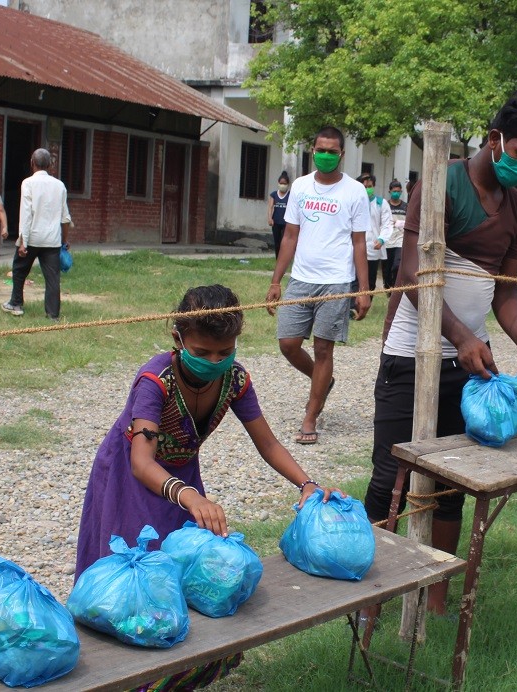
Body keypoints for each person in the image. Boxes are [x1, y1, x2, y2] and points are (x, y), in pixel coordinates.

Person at [76, 285, 342, 690]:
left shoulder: (234, 380)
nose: (214, 361)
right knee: (136, 584)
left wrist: (306, 483)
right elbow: (141, 462)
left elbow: (267, 443)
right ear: (177, 340)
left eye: (224, 352)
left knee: (190, 575)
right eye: (201, 353)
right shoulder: (155, 381)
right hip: (130, 479)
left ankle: (181, 677)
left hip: (183, 479)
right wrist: (187, 494)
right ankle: (128, 681)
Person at [363, 91, 517, 616]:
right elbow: (410, 277)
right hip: (411, 354)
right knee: (392, 476)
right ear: (494, 138)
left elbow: (505, 292)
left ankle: (434, 599)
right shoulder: (441, 182)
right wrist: (460, 335)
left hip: (468, 365)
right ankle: (367, 598)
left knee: (451, 482)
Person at [265, 126, 371, 446]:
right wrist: (275, 280)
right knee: (288, 343)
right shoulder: (299, 186)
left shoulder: (354, 191)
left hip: (336, 282)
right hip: (301, 278)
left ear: (341, 154)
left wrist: (363, 289)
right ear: (313, 151)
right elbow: (290, 236)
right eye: (320, 149)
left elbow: (359, 243)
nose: (326, 155)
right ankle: (322, 382)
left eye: (332, 151)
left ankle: (310, 416)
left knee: (324, 348)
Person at [1, 148, 71, 320]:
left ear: (32, 163)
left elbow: (26, 214)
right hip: (52, 240)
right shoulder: (59, 185)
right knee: (52, 278)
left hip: (32, 237)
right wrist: (64, 240)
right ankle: (53, 314)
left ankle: (16, 303)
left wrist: (23, 242)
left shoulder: (28, 183)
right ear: (50, 165)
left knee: (19, 270)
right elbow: (65, 218)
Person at [358, 173, 394, 294]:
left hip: (373, 248)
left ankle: (365, 305)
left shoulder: (381, 203)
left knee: (370, 281)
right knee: (354, 280)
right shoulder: (354, 201)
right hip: (354, 248)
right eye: (364, 186)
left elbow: (387, 224)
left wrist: (382, 239)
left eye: (369, 186)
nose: (367, 188)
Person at [384, 179, 407, 287]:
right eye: (394, 191)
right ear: (390, 191)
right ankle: (388, 286)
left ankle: (395, 286)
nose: (396, 193)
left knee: (397, 265)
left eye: (398, 191)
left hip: (400, 240)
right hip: (387, 240)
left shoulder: (405, 206)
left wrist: (400, 223)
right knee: (387, 267)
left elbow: (410, 222)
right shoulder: (385, 205)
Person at [267, 172, 290, 258]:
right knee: (277, 242)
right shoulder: (274, 194)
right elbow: (270, 207)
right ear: (278, 183)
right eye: (281, 183)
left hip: (286, 223)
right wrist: (269, 218)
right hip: (276, 222)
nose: (282, 185)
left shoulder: (290, 195)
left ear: (288, 184)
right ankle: (278, 258)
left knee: (284, 242)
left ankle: (284, 258)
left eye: (284, 183)